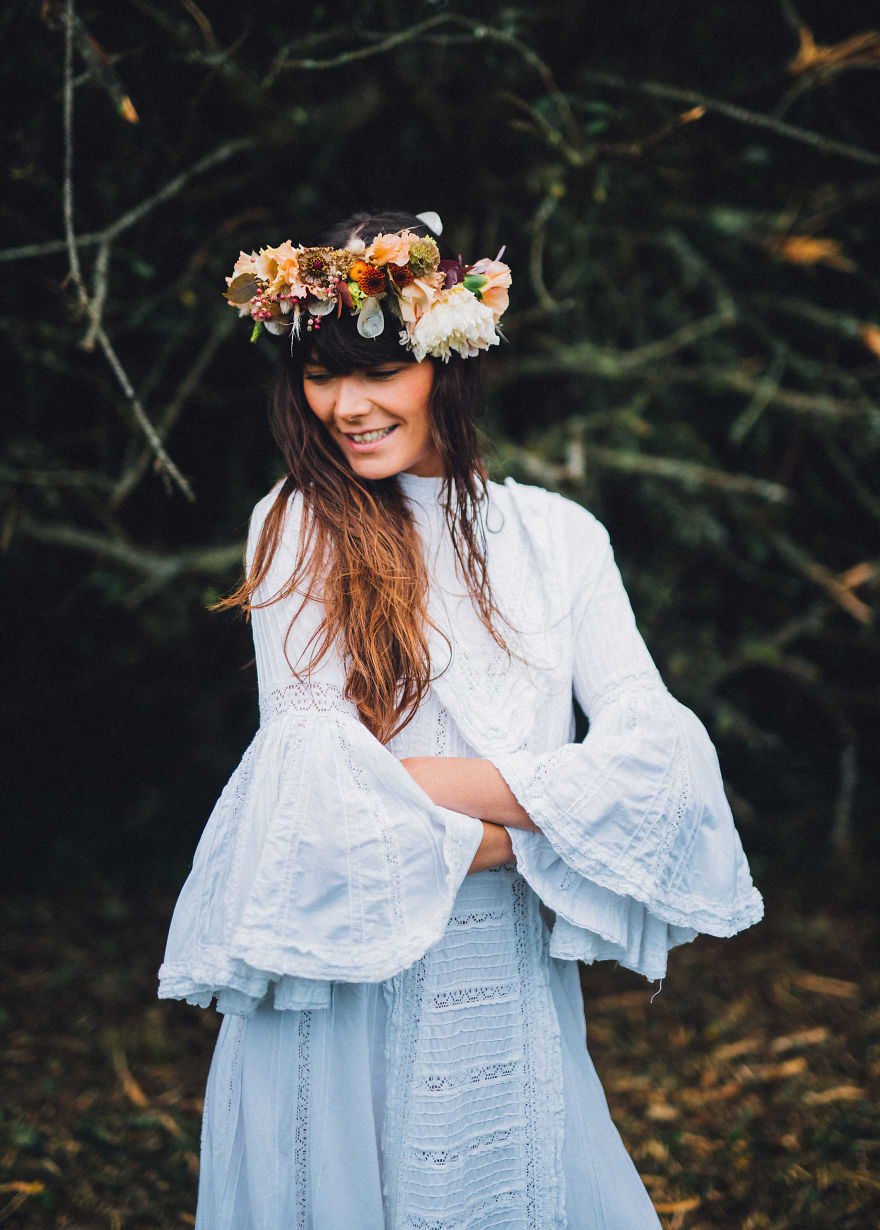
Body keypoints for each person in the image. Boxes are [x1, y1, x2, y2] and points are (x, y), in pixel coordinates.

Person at [158, 210, 763, 1229]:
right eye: (318, 375)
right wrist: (556, 823)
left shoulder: (558, 538)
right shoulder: (299, 524)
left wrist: (472, 812)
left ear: (447, 359)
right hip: (343, 979)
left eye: (380, 370)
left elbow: (660, 757)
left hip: (505, 980)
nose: (345, 405)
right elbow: (313, 791)